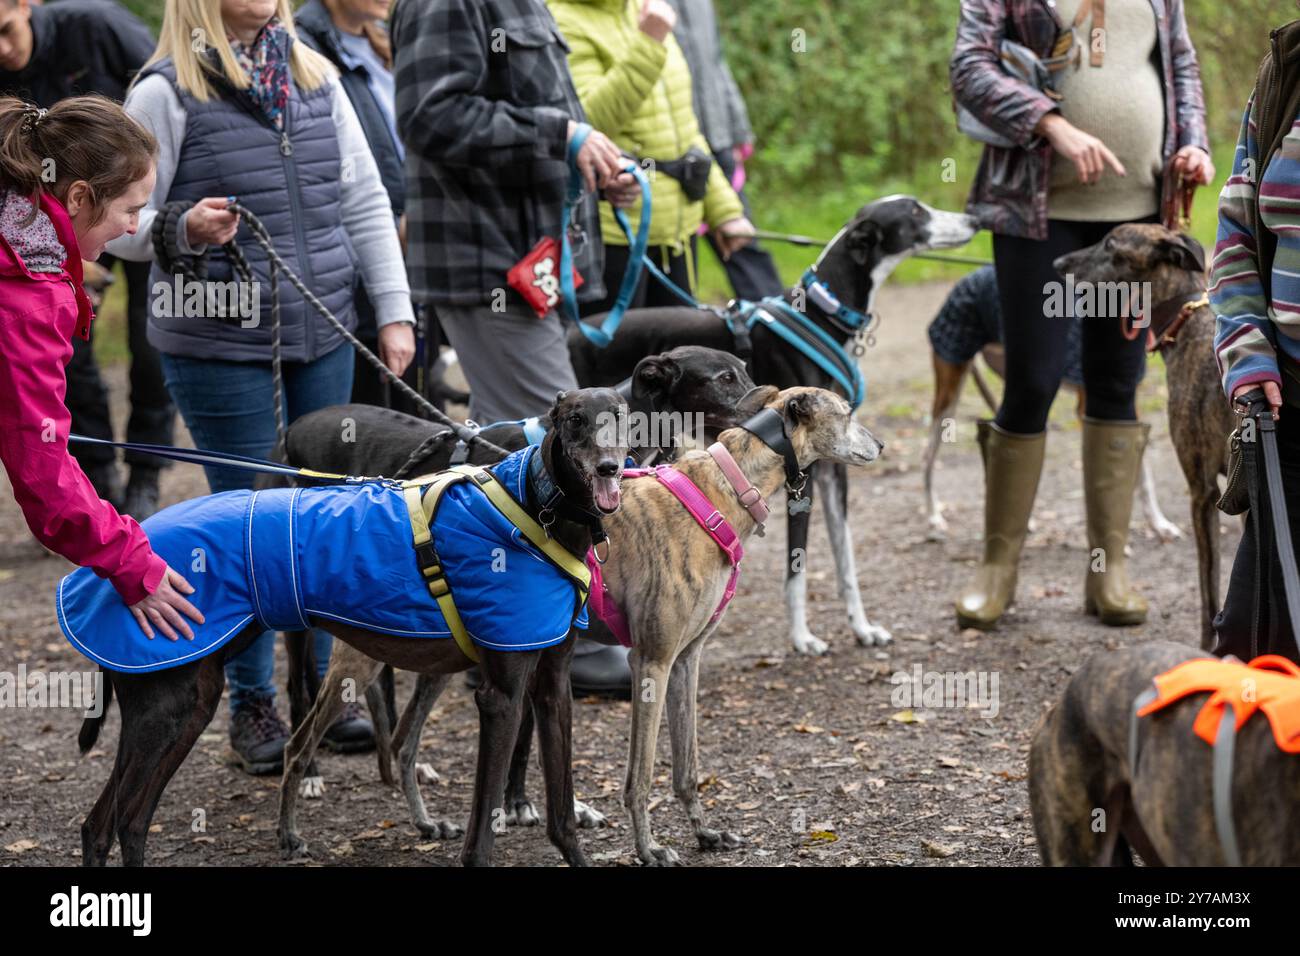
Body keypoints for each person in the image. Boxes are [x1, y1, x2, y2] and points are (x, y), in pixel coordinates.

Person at [110, 0, 415, 773]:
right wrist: (180, 227)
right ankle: (250, 703)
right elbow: (121, 221)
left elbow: (364, 200)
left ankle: (323, 693)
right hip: (212, 335)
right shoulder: (162, 92)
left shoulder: (315, 75)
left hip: (322, 326)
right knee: (248, 516)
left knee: (325, 516)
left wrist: (395, 311)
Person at [392, 0, 640, 696]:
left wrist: (590, 165)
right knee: (557, 453)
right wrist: (559, 133)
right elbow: (430, 116)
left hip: (530, 260)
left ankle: (527, 640)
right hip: (487, 263)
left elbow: (532, 127)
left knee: (523, 456)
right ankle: (550, 643)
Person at [949, 0, 1212, 630]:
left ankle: (1107, 573)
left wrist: (1194, 145)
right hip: (1037, 215)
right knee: (1033, 380)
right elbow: (969, 67)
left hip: (1135, 225)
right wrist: (1049, 122)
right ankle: (997, 570)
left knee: (1116, 383)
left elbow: (1180, 67)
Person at [0, 94, 204, 643]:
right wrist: (133, 563)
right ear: (80, 197)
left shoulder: (18, 238)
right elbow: (44, 469)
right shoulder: (26, 296)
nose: (135, 226)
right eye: (130, 210)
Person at [0, 0, 176, 518]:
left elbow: (160, 99)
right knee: (71, 359)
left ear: (23, 4)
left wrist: (149, 211)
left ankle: (146, 468)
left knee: (149, 340)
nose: (3, 50)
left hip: (117, 197)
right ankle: (94, 478)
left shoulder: (98, 26)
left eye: (6, 30)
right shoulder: (32, 299)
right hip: (64, 217)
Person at [548, 0, 754, 314]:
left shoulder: (643, 8)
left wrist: (723, 208)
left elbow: (686, 127)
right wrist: (649, 43)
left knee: (679, 356)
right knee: (617, 360)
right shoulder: (561, 18)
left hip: (676, 234)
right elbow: (587, 121)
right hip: (614, 237)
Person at [1212, 16, 1300, 662]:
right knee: (1249, 649)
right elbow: (1237, 230)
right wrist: (1246, 344)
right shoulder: (1284, 74)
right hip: (1285, 410)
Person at [295, 0, 427, 412]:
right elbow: (342, 174)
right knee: (375, 415)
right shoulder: (305, 48)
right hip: (363, 257)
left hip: (412, 243)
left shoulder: (385, 41)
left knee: (421, 402)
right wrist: (395, 222)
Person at [667, 0, 783, 301]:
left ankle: (778, 327)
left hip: (717, 139)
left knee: (742, 240)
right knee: (674, 256)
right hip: (671, 148)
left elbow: (717, 65)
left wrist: (736, 129)